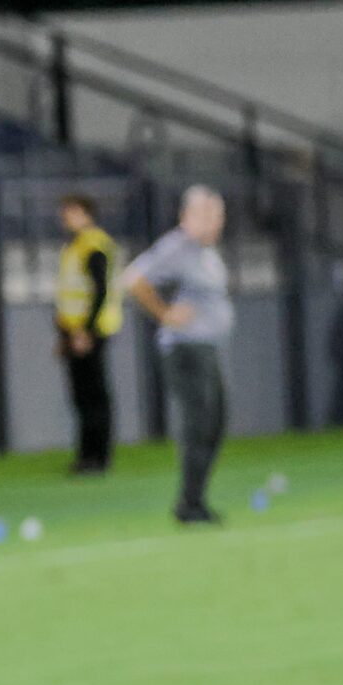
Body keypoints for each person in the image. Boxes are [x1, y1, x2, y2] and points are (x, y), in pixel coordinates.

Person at [126, 185, 234, 524]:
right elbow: (134, 279)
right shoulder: (178, 247)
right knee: (198, 423)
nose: (213, 222)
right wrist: (164, 313)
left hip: (208, 347)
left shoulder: (208, 253)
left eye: (217, 214)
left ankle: (195, 498)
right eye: (205, 214)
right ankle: (189, 503)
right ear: (186, 217)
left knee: (215, 423)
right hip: (186, 349)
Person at [55, 193, 123, 474]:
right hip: (74, 331)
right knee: (81, 396)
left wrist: (86, 331)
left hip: (91, 332)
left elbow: (100, 290)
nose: (65, 218)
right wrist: (64, 334)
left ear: (86, 213)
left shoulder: (94, 245)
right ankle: (86, 454)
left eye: (71, 212)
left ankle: (99, 456)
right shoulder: (75, 246)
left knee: (94, 395)